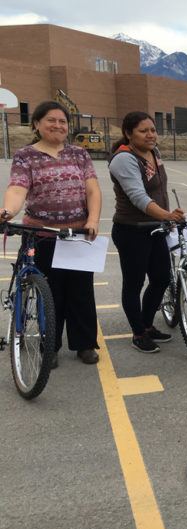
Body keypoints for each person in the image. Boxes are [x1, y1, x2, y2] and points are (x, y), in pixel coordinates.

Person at [1, 100, 102, 366]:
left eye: (62, 121)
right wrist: (7, 212)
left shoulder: (79, 154)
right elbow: (17, 189)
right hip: (42, 235)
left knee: (81, 292)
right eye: (51, 120)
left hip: (77, 235)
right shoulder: (26, 156)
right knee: (50, 293)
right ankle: (50, 346)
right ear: (36, 123)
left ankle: (84, 344)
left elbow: (92, 190)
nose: (58, 125)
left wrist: (93, 219)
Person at [109, 112, 185, 353]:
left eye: (153, 130)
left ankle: (148, 324)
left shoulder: (154, 153)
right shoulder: (124, 158)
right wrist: (166, 215)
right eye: (144, 131)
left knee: (162, 277)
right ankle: (138, 332)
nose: (151, 134)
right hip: (131, 230)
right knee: (134, 282)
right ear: (129, 133)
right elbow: (138, 197)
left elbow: (159, 190)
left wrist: (166, 216)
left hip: (155, 228)